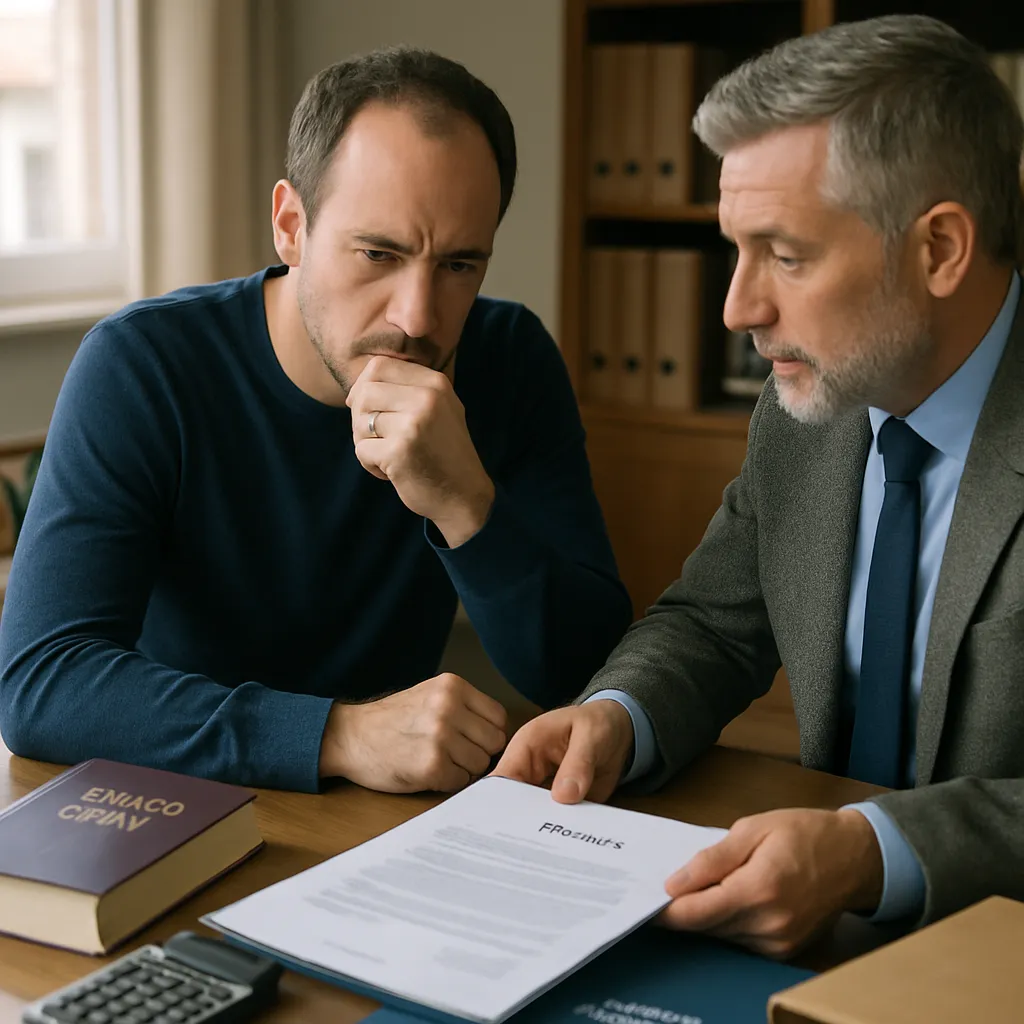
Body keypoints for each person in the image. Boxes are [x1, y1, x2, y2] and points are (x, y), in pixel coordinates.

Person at [495, 14, 1024, 956]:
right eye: (734, 249)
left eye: (785, 255)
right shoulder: (808, 406)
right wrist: (617, 715)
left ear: (940, 248)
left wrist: (875, 852)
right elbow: (711, 622)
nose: (737, 308)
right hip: (809, 937)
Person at [0, 47, 631, 795]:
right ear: (291, 225)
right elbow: (41, 682)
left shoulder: (510, 358)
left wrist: (466, 505)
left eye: (459, 265)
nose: (417, 317)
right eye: (378, 253)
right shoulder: (143, 366)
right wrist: (338, 734)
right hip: (179, 805)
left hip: (386, 818)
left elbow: (588, 673)